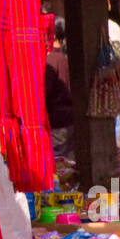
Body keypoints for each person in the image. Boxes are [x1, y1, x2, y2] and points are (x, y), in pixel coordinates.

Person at [44, 17, 73, 160]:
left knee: (60, 163)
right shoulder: (67, 57)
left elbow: (46, 93)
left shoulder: (51, 60)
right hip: (71, 119)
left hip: (57, 122)